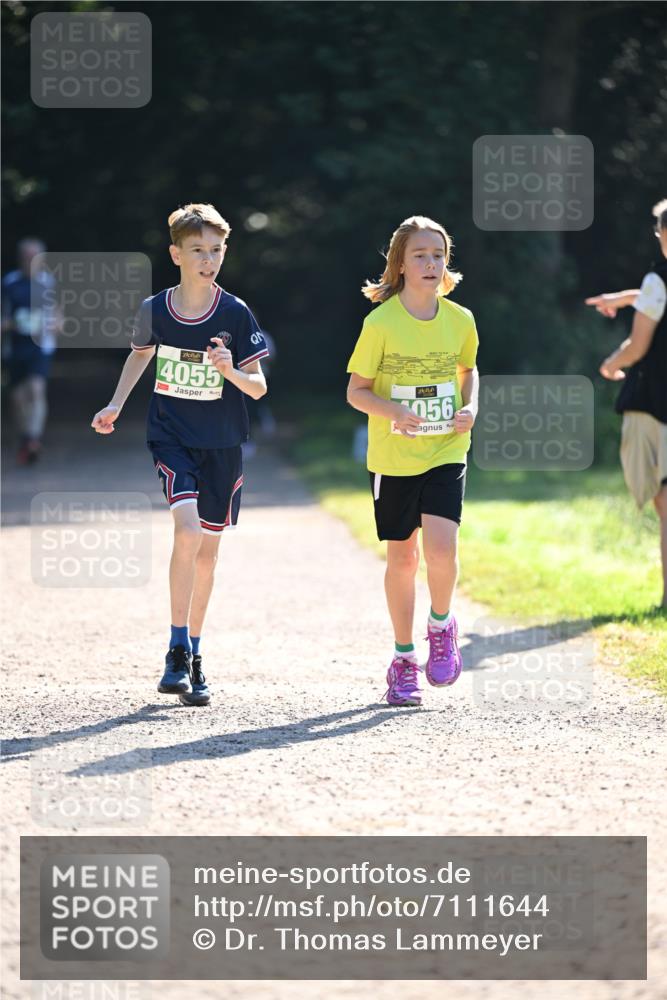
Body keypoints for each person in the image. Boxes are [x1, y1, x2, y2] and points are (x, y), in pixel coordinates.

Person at [91, 203, 269, 704]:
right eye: (197, 250)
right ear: (176, 254)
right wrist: (115, 404)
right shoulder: (155, 309)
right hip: (171, 437)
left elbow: (257, 388)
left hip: (223, 444)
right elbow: (140, 354)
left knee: (208, 553)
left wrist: (228, 369)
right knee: (186, 530)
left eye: (215, 250)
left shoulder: (235, 312)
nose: (208, 259)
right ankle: (174, 649)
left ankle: (194, 651)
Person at [346, 215, 479, 706]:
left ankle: (441, 626)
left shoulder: (461, 320)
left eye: (438, 254)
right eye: (420, 255)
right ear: (400, 264)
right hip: (394, 456)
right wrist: (392, 411)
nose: (430, 263)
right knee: (403, 556)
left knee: (441, 548)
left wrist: (471, 407)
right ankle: (403, 660)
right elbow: (356, 392)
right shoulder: (379, 323)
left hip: (446, 448)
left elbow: (469, 371)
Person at [586, 197, 667, 609]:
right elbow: (656, 294)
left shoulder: (658, 278)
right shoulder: (656, 284)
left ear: (661, 234)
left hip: (656, 402)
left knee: (663, 499)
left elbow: (638, 346)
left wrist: (611, 364)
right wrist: (626, 296)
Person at [1, 238, 60, 464]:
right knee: (17, 398)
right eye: (26, 256)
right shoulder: (8, 283)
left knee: (36, 389)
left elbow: (59, 316)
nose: (30, 261)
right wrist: (11, 324)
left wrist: (54, 325)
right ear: (20, 258)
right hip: (15, 346)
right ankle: (25, 438)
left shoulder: (49, 283)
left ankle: (33, 439)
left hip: (40, 346)